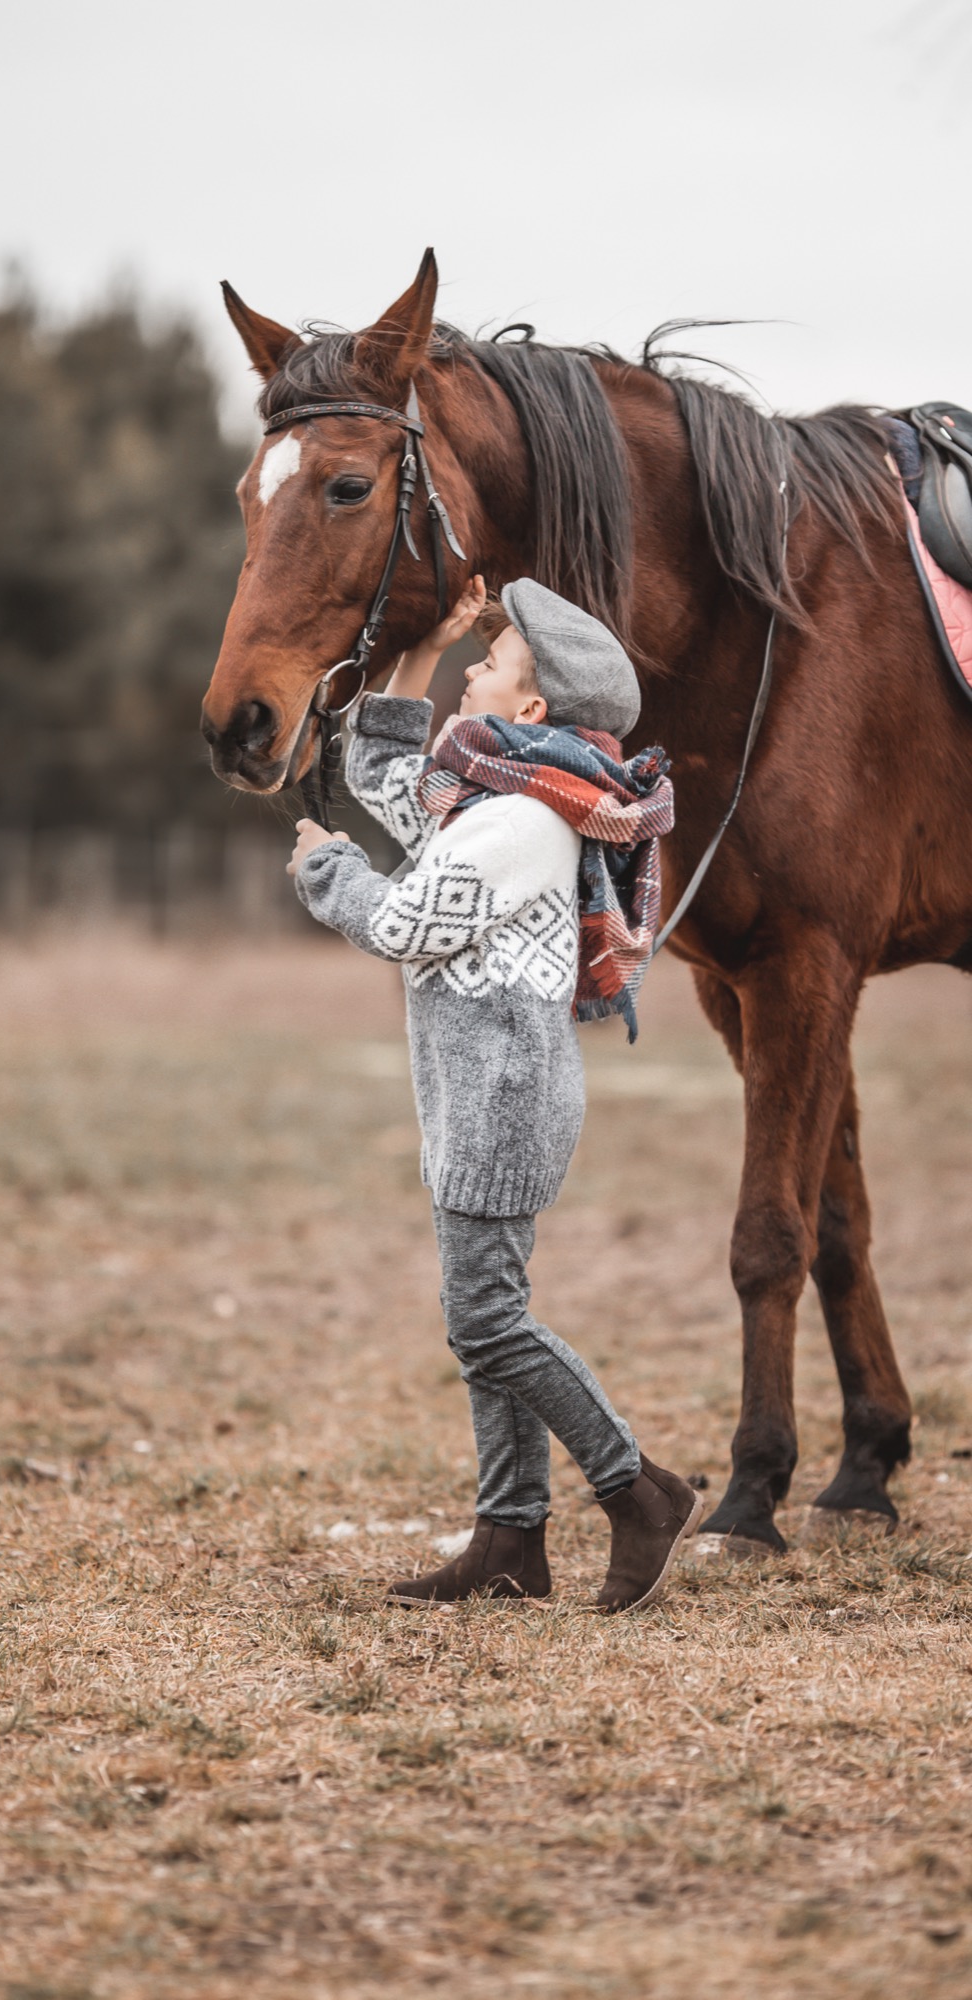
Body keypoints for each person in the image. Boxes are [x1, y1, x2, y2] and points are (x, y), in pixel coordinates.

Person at [287, 575, 701, 1611]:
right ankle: (509, 1536)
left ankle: (637, 1489)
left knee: (484, 1323)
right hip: (472, 1095)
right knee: (488, 1315)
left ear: (527, 713)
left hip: (502, 1100)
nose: (471, 667)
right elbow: (382, 768)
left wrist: (327, 866)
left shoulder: (521, 822)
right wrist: (422, 645)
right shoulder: (486, 794)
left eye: (492, 659)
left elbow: (404, 922)